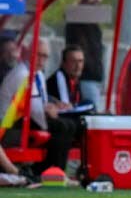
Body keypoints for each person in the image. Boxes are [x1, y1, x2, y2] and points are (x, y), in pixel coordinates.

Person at [0, 39, 78, 178]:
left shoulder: (38, 74)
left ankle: (54, 171)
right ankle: (48, 172)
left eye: (45, 56)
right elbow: (36, 110)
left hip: (25, 120)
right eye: (38, 55)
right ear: (28, 53)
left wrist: (55, 105)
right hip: (9, 127)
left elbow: (40, 102)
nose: (41, 60)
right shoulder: (22, 74)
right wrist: (49, 112)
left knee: (69, 125)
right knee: (60, 127)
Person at [64, 0, 107, 109]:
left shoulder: (92, 21)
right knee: (93, 113)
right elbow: (78, 47)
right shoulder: (78, 20)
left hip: (95, 77)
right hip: (86, 77)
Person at [46, 44, 90, 110]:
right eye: (73, 61)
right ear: (63, 63)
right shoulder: (57, 79)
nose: (78, 66)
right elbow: (66, 107)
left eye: (80, 61)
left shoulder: (75, 79)